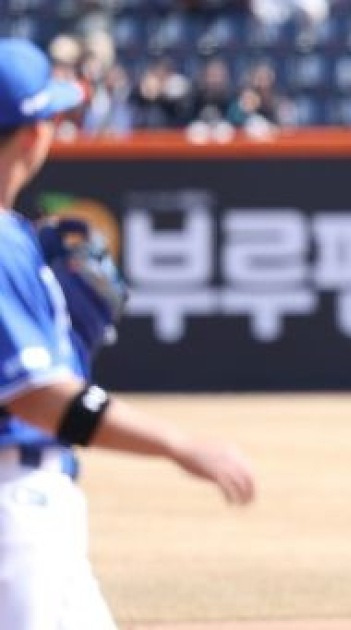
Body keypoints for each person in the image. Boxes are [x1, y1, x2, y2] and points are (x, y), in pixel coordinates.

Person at [0, 37, 256, 627]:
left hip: (39, 503)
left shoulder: (15, 236)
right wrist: (177, 444)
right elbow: (38, 398)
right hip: (16, 504)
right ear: (36, 132)